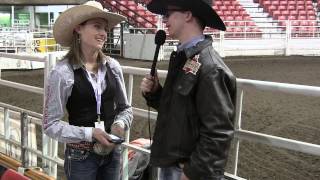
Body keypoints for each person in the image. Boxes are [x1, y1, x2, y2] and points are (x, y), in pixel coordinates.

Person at [140, 0, 237, 179]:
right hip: (174, 164)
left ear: (188, 15)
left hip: (186, 170)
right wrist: (156, 93)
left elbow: (218, 132)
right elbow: (181, 111)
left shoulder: (210, 68)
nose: (164, 19)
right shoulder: (183, 58)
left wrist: (193, 173)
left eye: (168, 13)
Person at [42, 1, 133, 180]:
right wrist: (90, 133)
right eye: (97, 27)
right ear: (78, 29)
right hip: (80, 156)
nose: (103, 34)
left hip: (112, 153)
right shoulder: (63, 72)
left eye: (105, 29)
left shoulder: (113, 67)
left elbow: (126, 109)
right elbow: (50, 124)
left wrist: (119, 124)